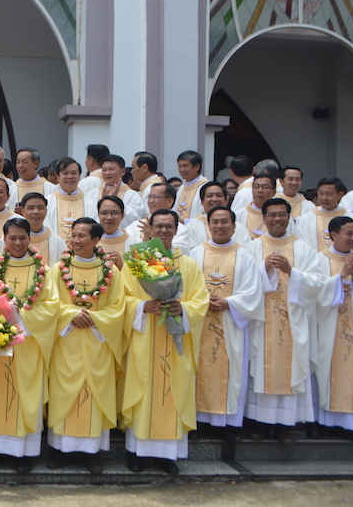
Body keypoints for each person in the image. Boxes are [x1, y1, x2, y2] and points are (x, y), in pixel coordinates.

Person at [121, 209, 209, 474]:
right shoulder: (139, 261)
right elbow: (120, 299)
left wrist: (184, 309)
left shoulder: (189, 264)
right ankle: (136, 452)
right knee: (144, 390)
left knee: (172, 393)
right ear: (150, 227)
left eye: (168, 226)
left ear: (176, 228)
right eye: (158, 226)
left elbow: (200, 300)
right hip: (146, 336)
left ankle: (167, 455)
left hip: (175, 337)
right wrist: (142, 306)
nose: (163, 231)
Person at [0, 217, 58, 473]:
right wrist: (2, 315)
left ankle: (26, 452)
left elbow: (51, 307)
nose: (18, 242)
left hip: (29, 346)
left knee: (27, 395)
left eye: (23, 237)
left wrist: (20, 314)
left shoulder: (42, 270)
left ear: (29, 238)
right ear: (4, 239)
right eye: (12, 238)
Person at [45, 217, 124, 474]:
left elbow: (118, 306)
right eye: (74, 236)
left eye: (82, 236)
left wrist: (95, 318)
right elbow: (49, 302)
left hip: (97, 343)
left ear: (96, 240)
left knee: (93, 396)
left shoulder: (110, 272)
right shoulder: (58, 269)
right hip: (66, 342)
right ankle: (61, 450)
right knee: (64, 395)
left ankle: (92, 454)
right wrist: (70, 315)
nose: (76, 241)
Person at [245, 198, 325, 443]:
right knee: (259, 368)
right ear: (264, 218)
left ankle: (284, 426)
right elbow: (243, 283)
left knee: (291, 370)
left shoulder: (303, 249)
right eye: (272, 215)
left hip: (293, 323)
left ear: (290, 217)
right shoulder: (251, 248)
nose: (277, 219)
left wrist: (292, 272)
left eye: (282, 214)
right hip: (262, 322)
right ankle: (259, 423)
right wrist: (264, 269)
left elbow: (319, 283)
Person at [187, 206, 262, 436]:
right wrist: (201, 300)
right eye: (215, 222)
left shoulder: (245, 255)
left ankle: (226, 423)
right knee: (197, 367)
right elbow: (186, 287)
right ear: (208, 225)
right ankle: (198, 420)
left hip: (230, 322)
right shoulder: (195, 254)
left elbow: (253, 291)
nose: (219, 226)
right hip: (200, 323)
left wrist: (229, 303)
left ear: (234, 226)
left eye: (224, 222)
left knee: (232, 370)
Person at [310, 216, 353, 442]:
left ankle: (348, 425)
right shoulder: (319, 260)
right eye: (348, 233)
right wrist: (340, 276)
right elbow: (314, 294)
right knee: (323, 369)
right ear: (333, 235)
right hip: (327, 326)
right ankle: (319, 422)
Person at [296, 177, 353, 253]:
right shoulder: (307, 219)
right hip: (314, 263)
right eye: (321, 193)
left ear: (340, 195)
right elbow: (303, 246)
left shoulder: (352, 219)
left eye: (329, 194)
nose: (324, 198)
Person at [127, 182, 194, 252]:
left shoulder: (180, 229)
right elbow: (126, 247)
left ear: (169, 201)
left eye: (155, 197)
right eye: (149, 197)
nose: (150, 201)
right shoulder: (136, 225)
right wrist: (145, 239)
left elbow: (178, 252)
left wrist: (153, 237)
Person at [46, 157, 97, 243]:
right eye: (65, 173)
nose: (69, 177)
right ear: (57, 176)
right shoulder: (47, 202)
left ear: (79, 175)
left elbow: (94, 229)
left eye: (74, 173)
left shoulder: (90, 203)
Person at [85, 155, 144, 227]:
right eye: (104, 170)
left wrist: (115, 202)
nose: (107, 173)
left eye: (111, 169)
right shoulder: (92, 194)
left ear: (123, 171)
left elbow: (135, 218)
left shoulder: (132, 195)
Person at [21, 192, 66, 266]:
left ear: (46, 211)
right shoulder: (13, 239)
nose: (36, 212)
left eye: (40, 208)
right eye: (31, 208)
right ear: (22, 211)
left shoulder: (57, 242)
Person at [234, 174, 281, 240]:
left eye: (265, 187)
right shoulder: (239, 215)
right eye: (256, 186)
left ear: (274, 192)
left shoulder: (281, 216)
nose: (260, 190)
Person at [173, 150, 207, 221]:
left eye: (185, 166)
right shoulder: (182, 187)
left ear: (197, 166)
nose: (182, 170)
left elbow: (204, 215)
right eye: (179, 166)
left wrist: (185, 222)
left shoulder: (205, 187)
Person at [96, 196, 129, 268]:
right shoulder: (90, 241)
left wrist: (121, 266)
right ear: (98, 215)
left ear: (122, 216)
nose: (109, 217)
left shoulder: (133, 243)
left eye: (114, 213)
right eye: (104, 213)